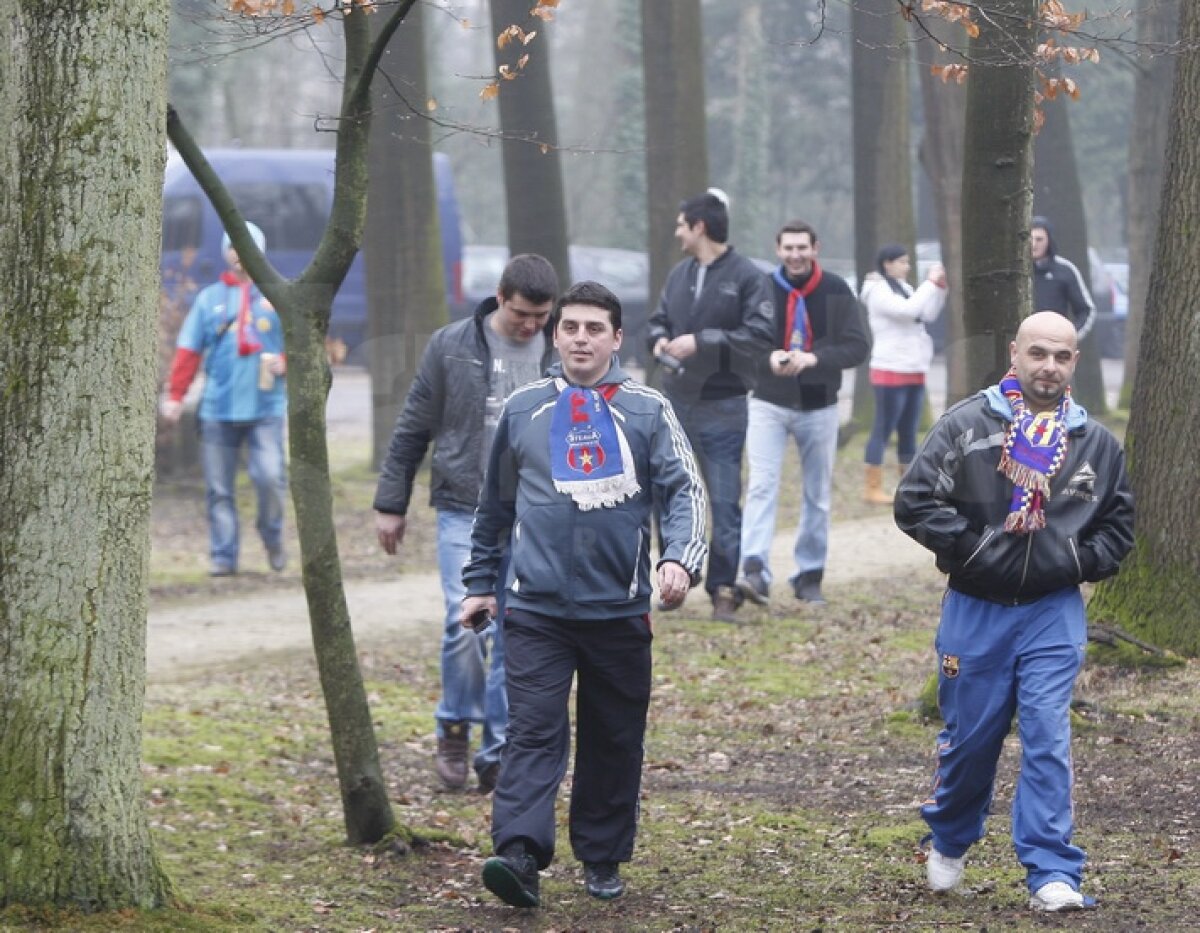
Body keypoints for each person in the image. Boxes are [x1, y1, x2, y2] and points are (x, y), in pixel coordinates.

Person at [462, 281, 707, 908]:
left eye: (594, 328)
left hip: (620, 611)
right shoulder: (523, 410)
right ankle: (518, 854)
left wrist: (679, 557)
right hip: (536, 610)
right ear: (555, 334)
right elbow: (494, 507)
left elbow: (686, 492)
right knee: (533, 732)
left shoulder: (648, 410)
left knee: (613, 736)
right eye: (569, 327)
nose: (580, 338)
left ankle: (601, 856)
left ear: (616, 339)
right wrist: (479, 586)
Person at [895, 311, 1134, 912]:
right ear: (1015, 353)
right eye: (1038, 354)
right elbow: (915, 502)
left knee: (1048, 736)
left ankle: (1053, 871)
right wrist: (977, 549)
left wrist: (1073, 560)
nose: (1048, 366)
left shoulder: (1096, 444)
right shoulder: (970, 423)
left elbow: (1118, 529)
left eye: (1061, 355)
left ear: (1075, 361)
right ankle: (949, 836)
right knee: (972, 741)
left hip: (1053, 613)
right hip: (977, 609)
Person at [373, 254, 559, 794]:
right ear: (500, 297)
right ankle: (454, 725)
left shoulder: (557, 354)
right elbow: (413, 425)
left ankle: (497, 750)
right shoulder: (452, 346)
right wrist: (392, 501)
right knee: (471, 624)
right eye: (523, 313)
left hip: (534, 516)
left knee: (515, 632)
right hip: (463, 508)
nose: (530, 325)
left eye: (541, 316)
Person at [645, 188, 775, 622]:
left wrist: (701, 342)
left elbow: (759, 336)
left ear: (699, 226)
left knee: (722, 500)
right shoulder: (679, 274)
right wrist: (659, 339)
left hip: (724, 405)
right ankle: (674, 578)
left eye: (682, 224)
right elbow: (659, 319)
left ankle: (723, 589)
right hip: (676, 403)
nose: (678, 232)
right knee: (670, 493)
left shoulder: (748, 277)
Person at [736, 220, 869, 607]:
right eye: (788, 248)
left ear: (815, 249)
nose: (795, 255)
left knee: (817, 495)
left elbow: (857, 347)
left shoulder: (836, 290)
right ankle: (755, 569)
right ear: (777, 250)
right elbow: (745, 344)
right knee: (761, 485)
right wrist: (769, 358)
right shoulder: (761, 289)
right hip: (767, 402)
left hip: (819, 406)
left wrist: (815, 358)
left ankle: (809, 575)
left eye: (802, 248)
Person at [161, 222, 288, 577]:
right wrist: (175, 396)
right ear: (225, 252)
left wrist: (287, 361)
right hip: (219, 408)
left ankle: (272, 534)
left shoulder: (278, 295)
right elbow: (188, 352)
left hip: (266, 408)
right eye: (233, 246)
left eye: (246, 246)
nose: (239, 254)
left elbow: (305, 342)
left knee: (269, 478)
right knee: (219, 489)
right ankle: (223, 556)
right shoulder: (209, 300)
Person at [859, 244, 947, 505]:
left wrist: (941, 289)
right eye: (902, 262)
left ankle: (907, 487)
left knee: (909, 431)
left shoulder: (905, 288)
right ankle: (871, 487)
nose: (907, 267)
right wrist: (930, 283)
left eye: (908, 262)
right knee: (883, 429)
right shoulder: (878, 290)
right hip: (890, 368)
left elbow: (926, 313)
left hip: (914, 367)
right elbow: (907, 311)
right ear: (887, 263)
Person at [1030, 216, 1096, 340]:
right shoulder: (1016, 272)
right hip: (1024, 347)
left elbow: (1086, 310)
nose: (1034, 244)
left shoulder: (1065, 270)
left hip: (1055, 345)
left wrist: (1070, 338)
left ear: (1049, 241)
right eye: (1030, 239)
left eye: (1039, 239)